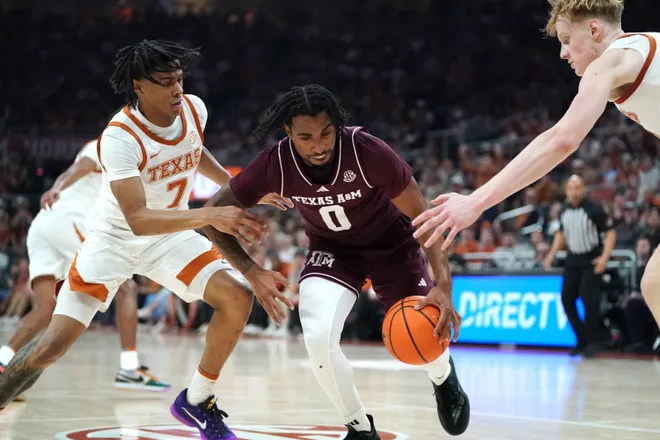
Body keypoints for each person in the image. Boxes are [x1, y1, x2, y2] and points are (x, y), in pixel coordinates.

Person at [0, 40, 292, 440]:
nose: (177, 89)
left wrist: (239, 186)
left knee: (236, 296)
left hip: (168, 235)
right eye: (167, 82)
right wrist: (210, 213)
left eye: (180, 79)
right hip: (114, 240)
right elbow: (137, 219)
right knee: (53, 346)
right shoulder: (119, 137)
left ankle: (197, 400)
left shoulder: (193, 108)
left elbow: (195, 150)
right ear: (139, 86)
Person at [203, 84, 470, 439]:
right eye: (306, 137)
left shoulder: (367, 152)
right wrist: (250, 271)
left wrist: (443, 283)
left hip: (392, 245)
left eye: (326, 133)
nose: (318, 145)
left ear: (337, 124)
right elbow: (209, 216)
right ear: (288, 133)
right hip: (333, 250)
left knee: (423, 333)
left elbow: (422, 215)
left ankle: (442, 374)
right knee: (316, 335)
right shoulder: (275, 164)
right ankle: (360, 428)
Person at [412, 0, 660, 328]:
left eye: (566, 40)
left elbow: (561, 139)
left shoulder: (610, 62)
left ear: (594, 30)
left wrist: (475, 202)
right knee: (655, 284)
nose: (563, 52)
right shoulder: (644, 48)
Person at [0, 140, 171, 397]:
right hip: (67, 219)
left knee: (46, 307)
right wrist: (57, 187)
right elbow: (81, 166)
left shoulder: (128, 165)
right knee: (126, 286)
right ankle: (130, 369)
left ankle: (3, 361)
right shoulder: (112, 142)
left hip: (44, 224)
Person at [543, 175, 615, 357]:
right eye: (571, 188)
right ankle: (581, 338)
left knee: (588, 300)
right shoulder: (564, 210)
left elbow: (610, 233)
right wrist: (551, 253)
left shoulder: (595, 209)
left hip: (591, 258)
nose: (574, 192)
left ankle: (593, 342)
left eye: (578, 188)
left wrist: (604, 258)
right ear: (566, 191)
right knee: (567, 299)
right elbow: (561, 233)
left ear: (584, 189)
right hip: (572, 259)